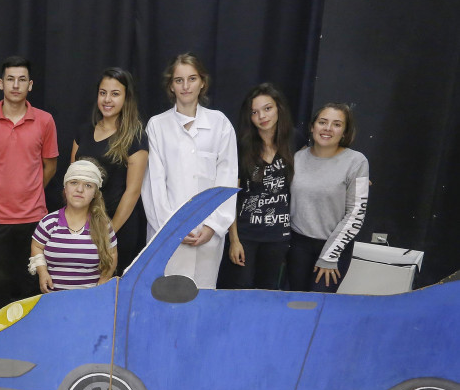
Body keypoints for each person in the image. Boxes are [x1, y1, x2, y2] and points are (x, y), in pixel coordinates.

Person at [141, 53, 237, 289]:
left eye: (192, 79)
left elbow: (227, 178)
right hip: (167, 234)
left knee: (202, 296)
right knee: (165, 297)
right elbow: (154, 184)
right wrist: (172, 228)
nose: (186, 86)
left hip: (208, 235)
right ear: (171, 86)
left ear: (202, 82)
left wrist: (213, 225)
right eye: (179, 80)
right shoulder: (157, 125)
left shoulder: (220, 124)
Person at [0, 56, 58, 311]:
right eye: (10, 79)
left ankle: (30, 332)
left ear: (30, 85)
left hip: (34, 216)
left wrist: (30, 189)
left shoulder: (45, 121)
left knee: (31, 283)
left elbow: (50, 167)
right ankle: (1, 332)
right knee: (1, 283)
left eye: (22, 80)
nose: (16, 85)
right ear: (1, 83)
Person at [218, 83, 301, 290]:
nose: (262, 116)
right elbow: (230, 196)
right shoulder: (241, 146)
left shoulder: (295, 140)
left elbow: (320, 164)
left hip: (278, 237)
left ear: (279, 108)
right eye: (254, 112)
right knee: (240, 289)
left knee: (268, 291)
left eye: (267, 108)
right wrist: (234, 240)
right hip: (245, 235)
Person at [72, 67, 148, 274]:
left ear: (126, 98)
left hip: (117, 227)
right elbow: (72, 179)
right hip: (82, 225)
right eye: (103, 93)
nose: (107, 99)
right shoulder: (84, 131)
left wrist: (108, 234)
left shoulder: (135, 137)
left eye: (115, 94)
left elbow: (133, 192)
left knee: (112, 287)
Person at [287, 103, 369, 293]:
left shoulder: (357, 162)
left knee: (318, 304)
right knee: (295, 302)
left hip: (334, 247)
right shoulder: (296, 158)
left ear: (345, 132)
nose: (328, 128)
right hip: (297, 247)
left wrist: (329, 256)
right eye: (322, 122)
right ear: (312, 126)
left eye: (337, 124)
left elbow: (356, 213)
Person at [29, 160, 117, 292]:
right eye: (74, 182)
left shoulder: (103, 225)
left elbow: (112, 254)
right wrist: (42, 272)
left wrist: (104, 280)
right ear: (65, 188)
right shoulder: (49, 222)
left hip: (90, 299)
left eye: (88, 185)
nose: (80, 190)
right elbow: (36, 247)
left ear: (95, 193)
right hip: (54, 299)